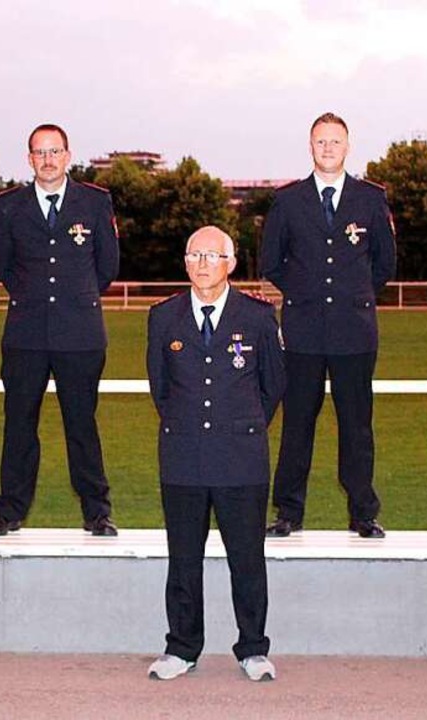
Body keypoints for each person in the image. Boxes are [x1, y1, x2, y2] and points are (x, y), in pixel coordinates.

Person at [145, 226, 285, 682]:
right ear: (185, 263)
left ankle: (253, 648)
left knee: (247, 557)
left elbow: (273, 386)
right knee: (183, 557)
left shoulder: (259, 317)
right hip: (182, 455)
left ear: (231, 263)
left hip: (240, 457)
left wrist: (238, 426)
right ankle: (181, 647)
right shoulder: (162, 317)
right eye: (194, 255)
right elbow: (161, 388)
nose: (203, 264)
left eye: (212, 255)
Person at [259, 112, 397, 538]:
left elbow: (384, 264)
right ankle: (288, 512)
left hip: (354, 332)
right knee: (297, 424)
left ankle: (363, 512)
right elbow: (271, 262)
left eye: (335, 141)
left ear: (348, 146)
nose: (328, 148)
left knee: (356, 426)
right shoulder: (287, 201)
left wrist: (350, 296)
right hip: (302, 332)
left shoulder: (371, 199)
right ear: (310, 146)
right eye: (321, 142)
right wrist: (307, 293)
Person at [0, 123, 121, 537]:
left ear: (67, 156)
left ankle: (97, 511)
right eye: (39, 153)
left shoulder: (94, 203)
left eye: (55, 151)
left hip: (80, 333)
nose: (47, 159)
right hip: (25, 334)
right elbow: (5, 266)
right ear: (29, 159)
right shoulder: (9, 206)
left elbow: (107, 266)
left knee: (82, 425)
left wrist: (73, 301)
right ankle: (9, 511)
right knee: (19, 424)